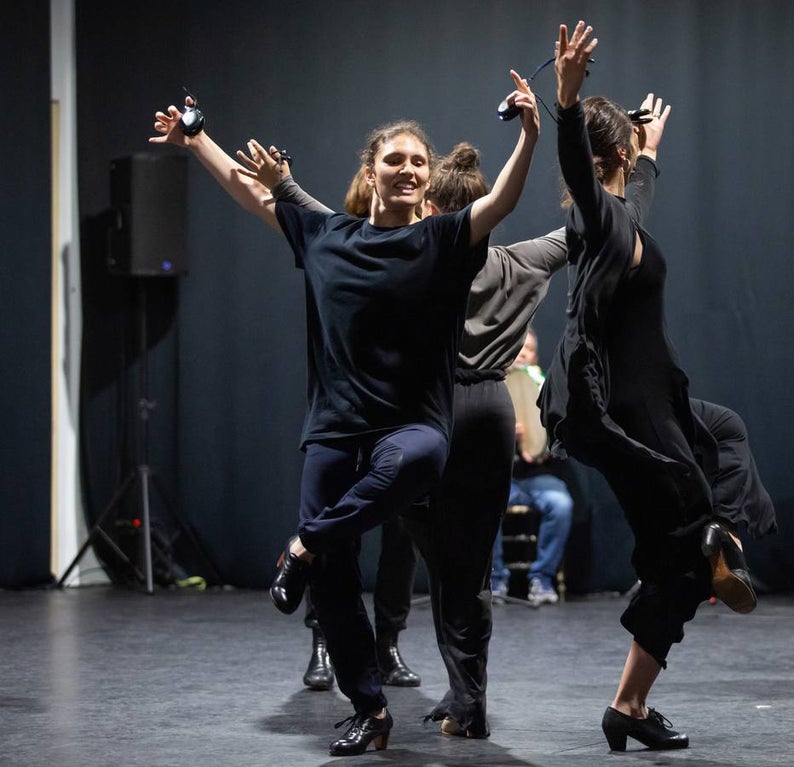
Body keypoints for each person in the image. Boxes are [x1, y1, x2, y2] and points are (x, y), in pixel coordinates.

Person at [239, 91, 668, 736]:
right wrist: (634, 165)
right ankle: (468, 700)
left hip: (423, 406)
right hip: (488, 411)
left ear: (435, 207)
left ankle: (361, 643)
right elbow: (600, 227)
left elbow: (312, 223)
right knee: (467, 569)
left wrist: (278, 183)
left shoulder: (420, 251)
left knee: (402, 550)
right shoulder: (521, 260)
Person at [149, 71, 539, 756]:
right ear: (372, 171)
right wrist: (196, 137)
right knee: (333, 580)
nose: (409, 169)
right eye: (395, 159)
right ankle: (370, 708)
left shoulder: (444, 239)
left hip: (412, 426)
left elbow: (501, 200)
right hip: (334, 429)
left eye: (418, 161)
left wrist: (532, 133)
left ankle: (301, 544)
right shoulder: (327, 235)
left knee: (414, 466)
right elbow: (253, 192)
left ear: (427, 176)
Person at [538, 22, 775, 752]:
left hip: (649, 401)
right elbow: (585, 171)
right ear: (614, 154)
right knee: (682, 554)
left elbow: (634, 197)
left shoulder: (622, 218)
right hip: (625, 412)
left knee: (724, 432)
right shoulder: (596, 218)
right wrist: (567, 101)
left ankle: (631, 702)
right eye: (629, 155)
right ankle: (712, 544)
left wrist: (650, 158)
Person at [298, 171, 421, 693]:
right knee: (332, 532)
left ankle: (388, 641)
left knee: (401, 538)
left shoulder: (419, 251)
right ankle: (323, 640)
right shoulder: (335, 249)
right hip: (345, 418)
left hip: (400, 418)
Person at [491, 328, 574, 605]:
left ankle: (542, 578)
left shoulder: (545, 389)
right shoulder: (493, 389)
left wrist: (543, 448)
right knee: (482, 503)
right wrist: (505, 434)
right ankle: (495, 579)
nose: (522, 355)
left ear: (535, 356)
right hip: (503, 479)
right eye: (517, 349)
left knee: (560, 505)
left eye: (527, 350)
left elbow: (562, 439)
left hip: (539, 478)